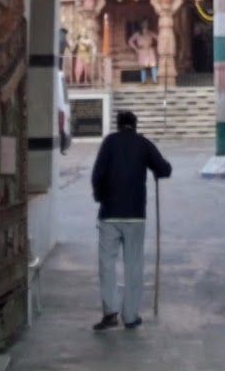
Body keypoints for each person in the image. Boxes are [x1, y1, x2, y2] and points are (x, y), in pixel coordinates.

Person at [91, 109, 172, 331]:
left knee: (107, 263)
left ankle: (110, 313)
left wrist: (100, 197)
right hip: (135, 215)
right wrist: (156, 169)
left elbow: (97, 174)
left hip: (109, 214)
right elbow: (165, 169)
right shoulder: (143, 144)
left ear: (118, 125)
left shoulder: (109, 142)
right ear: (135, 126)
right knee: (133, 265)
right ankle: (130, 316)